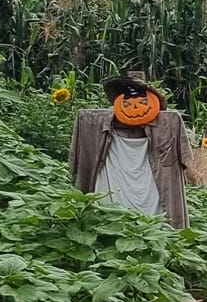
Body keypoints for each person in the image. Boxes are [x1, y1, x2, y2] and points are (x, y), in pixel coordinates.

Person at [69, 71, 192, 228]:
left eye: (142, 101)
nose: (135, 107)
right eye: (127, 103)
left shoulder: (169, 124)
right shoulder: (100, 123)